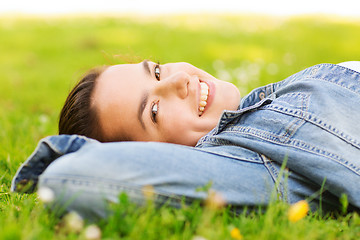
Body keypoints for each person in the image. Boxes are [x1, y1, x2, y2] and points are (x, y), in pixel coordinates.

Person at [11, 60, 360, 221]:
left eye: (158, 70)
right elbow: (72, 178)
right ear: (162, 159)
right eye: (154, 111)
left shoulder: (260, 110)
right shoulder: (254, 168)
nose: (178, 80)